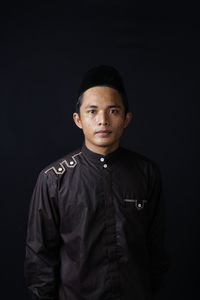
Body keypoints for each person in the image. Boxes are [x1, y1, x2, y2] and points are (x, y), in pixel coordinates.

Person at [24, 65, 169, 300]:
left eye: (113, 111)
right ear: (78, 119)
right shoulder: (53, 178)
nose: (102, 120)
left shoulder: (146, 172)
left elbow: (156, 248)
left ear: (126, 118)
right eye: (92, 111)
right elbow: (39, 258)